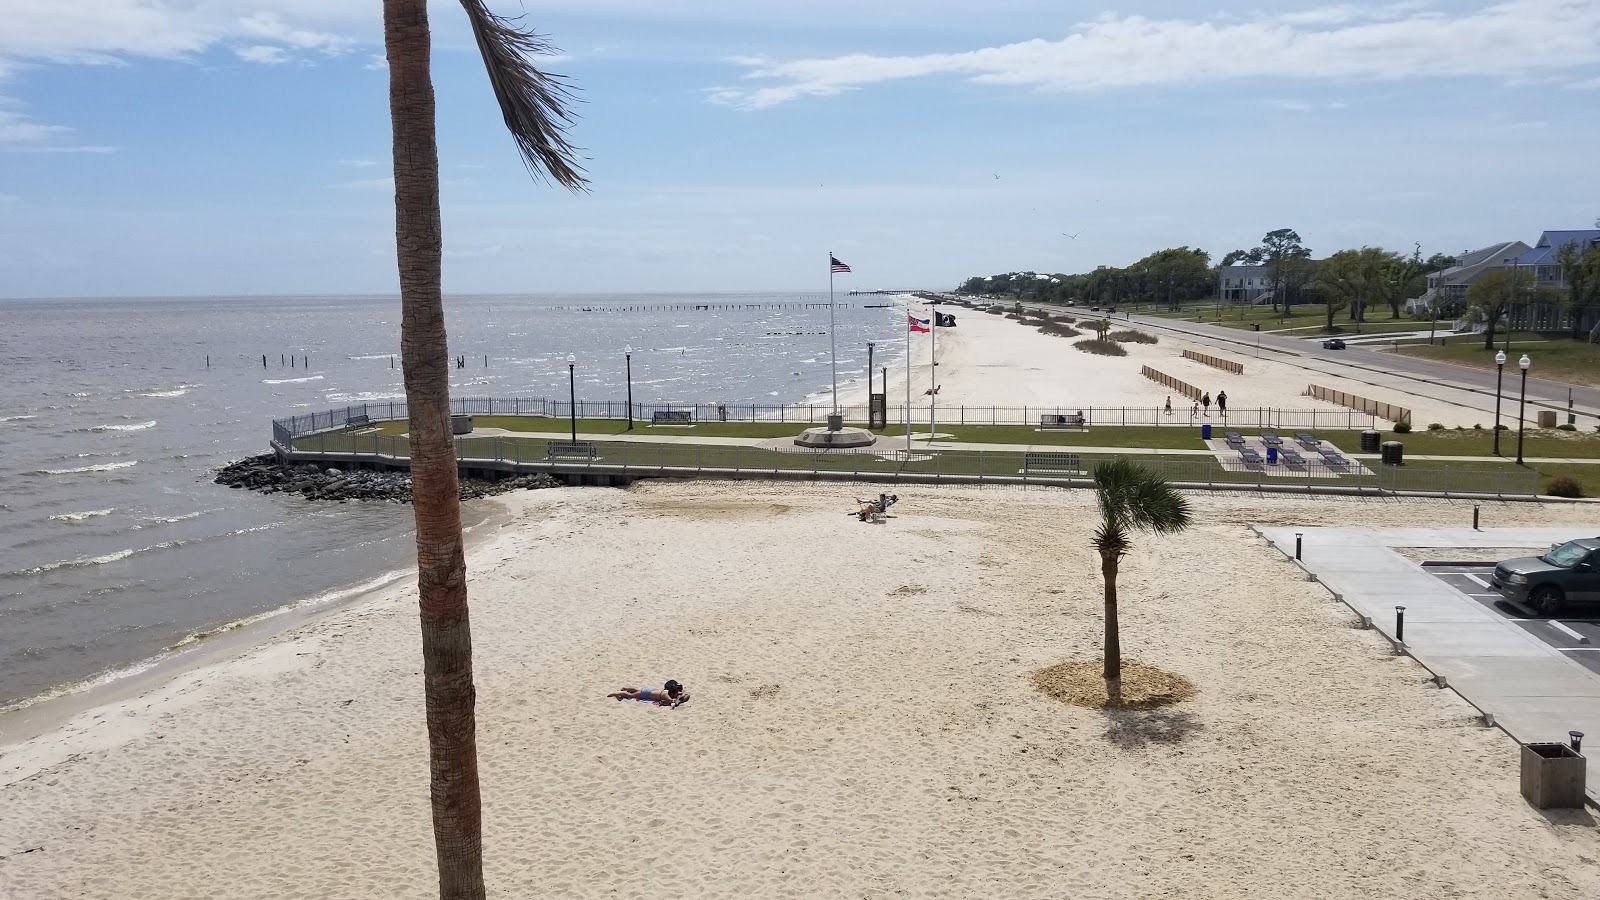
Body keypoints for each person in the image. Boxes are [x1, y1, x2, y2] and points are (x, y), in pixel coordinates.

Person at [608, 680, 689, 707]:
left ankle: (626, 688)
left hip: (650, 690)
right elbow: (672, 701)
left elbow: (678, 693)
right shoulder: (666, 695)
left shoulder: (666, 691)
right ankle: (617, 693)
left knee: (638, 690)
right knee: (631, 695)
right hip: (646, 694)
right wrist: (678, 699)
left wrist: (679, 695)